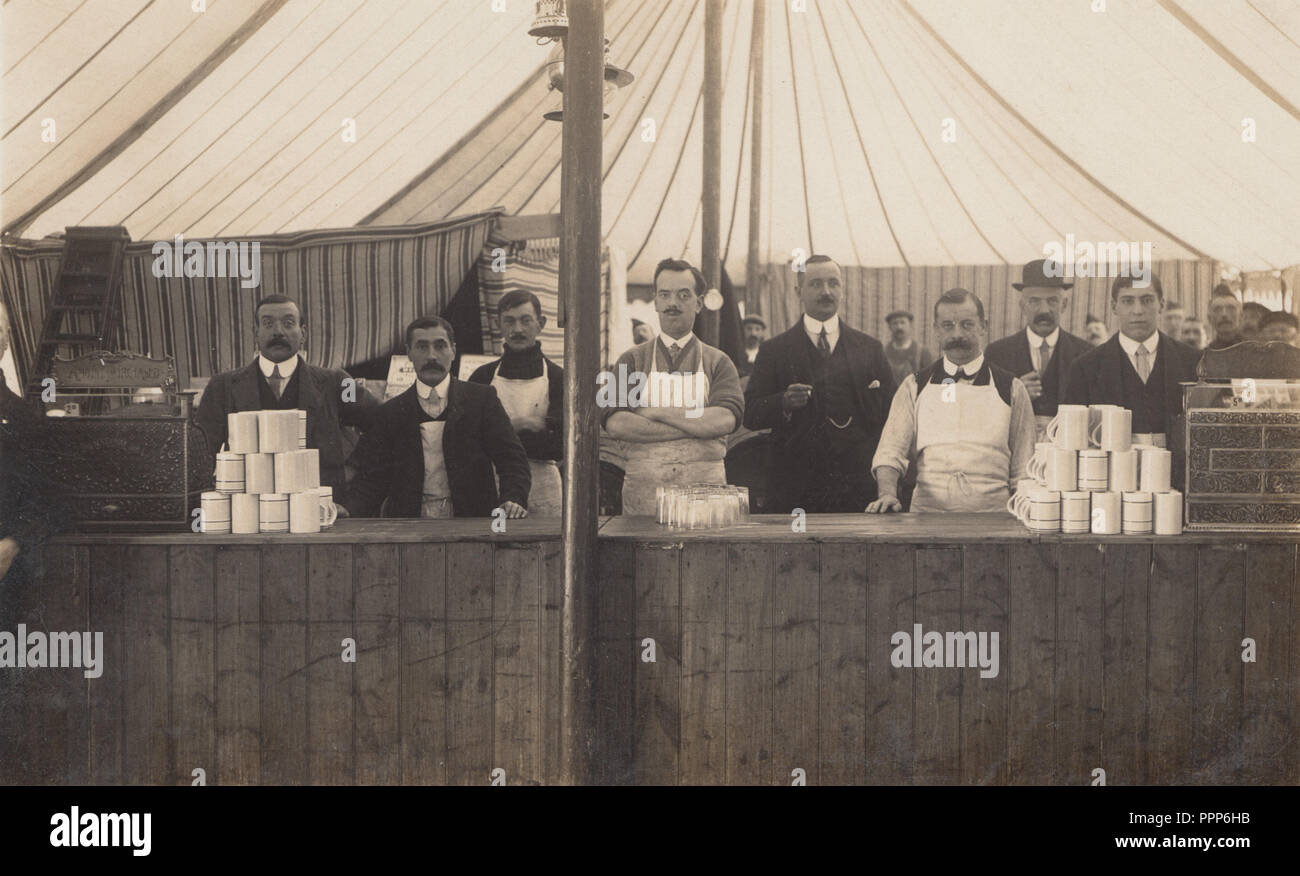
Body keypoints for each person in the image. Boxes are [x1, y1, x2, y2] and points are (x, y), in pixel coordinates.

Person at [195, 294, 379, 509]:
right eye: (267, 323)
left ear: (303, 334)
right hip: (248, 513)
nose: (278, 331)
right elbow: (201, 455)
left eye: (289, 323)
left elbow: (381, 423)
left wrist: (353, 472)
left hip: (322, 511)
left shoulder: (337, 382)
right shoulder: (222, 387)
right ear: (256, 333)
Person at [745, 255, 895, 512]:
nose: (826, 292)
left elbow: (893, 417)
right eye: (815, 284)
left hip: (856, 489)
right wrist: (783, 402)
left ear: (842, 290)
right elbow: (750, 413)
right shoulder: (774, 350)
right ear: (798, 291)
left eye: (833, 283)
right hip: (795, 489)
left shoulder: (870, 348)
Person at [867, 288, 1035, 513]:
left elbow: (1024, 468)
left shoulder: (1012, 389)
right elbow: (890, 451)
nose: (957, 334)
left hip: (995, 519)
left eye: (967, 324)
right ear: (936, 330)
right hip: (927, 519)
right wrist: (887, 494)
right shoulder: (914, 386)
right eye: (948, 325)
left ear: (983, 326)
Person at [345, 317, 530, 519]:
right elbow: (371, 479)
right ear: (409, 353)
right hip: (410, 528)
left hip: (473, 522)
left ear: (453, 351)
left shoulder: (482, 401)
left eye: (440, 346)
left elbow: (511, 459)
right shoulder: (391, 413)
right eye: (422, 347)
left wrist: (513, 499)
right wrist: (348, 510)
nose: (432, 356)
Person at [601, 259, 744, 515]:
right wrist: (697, 426)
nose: (673, 303)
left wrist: (657, 412)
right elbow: (616, 423)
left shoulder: (719, 362)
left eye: (683, 295)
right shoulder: (630, 360)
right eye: (664, 294)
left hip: (706, 498)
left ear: (699, 303)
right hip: (645, 497)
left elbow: (723, 420)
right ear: (655, 300)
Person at [1063, 275, 1201, 449]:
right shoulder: (1086, 368)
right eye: (1127, 301)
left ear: (1161, 305)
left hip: (1177, 473)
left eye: (1147, 300)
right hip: (1111, 472)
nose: (1138, 310)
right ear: (1114, 307)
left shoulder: (1192, 361)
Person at [468, 290, 564, 515]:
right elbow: (472, 438)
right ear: (498, 324)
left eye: (525, 320)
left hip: (543, 487)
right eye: (509, 321)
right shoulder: (482, 377)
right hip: (495, 482)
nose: (517, 329)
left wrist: (500, 435)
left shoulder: (559, 378)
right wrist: (527, 424)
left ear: (540, 323)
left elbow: (561, 444)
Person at [985, 259, 1092, 440]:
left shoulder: (1087, 354)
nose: (1044, 310)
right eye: (1034, 301)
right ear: (1022, 306)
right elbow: (985, 414)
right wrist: (1014, 397)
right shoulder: (997, 353)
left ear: (1064, 305)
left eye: (1052, 301)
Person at [882, 310, 933, 387]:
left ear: (910, 325)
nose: (899, 327)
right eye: (895, 323)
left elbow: (930, 381)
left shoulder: (922, 352)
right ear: (889, 327)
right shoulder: (882, 353)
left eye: (903, 322)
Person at [1207, 284, 1243, 349]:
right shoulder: (1206, 354)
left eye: (1231, 308)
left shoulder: (1253, 350)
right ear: (1209, 318)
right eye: (1217, 309)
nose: (1224, 314)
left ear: (1241, 316)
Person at [737, 314, 768, 378]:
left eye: (757, 329)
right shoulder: (737, 353)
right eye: (749, 329)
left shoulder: (766, 353)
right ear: (742, 330)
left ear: (762, 333)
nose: (753, 333)